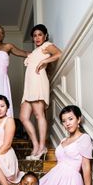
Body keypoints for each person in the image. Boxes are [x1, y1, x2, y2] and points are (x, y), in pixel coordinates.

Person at [38, 105, 93, 185]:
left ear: (78, 119)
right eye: (64, 121)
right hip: (56, 178)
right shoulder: (63, 140)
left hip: (71, 181)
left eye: (71, 119)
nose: (67, 123)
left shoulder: (84, 138)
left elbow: (86, 166)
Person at [19, 24, 62, 160]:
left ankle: (42, 146)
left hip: (38, 82)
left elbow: (58, 53)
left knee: (39, 115)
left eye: (40, 34)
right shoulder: (34, 52)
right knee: (23, 117)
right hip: (29, 87)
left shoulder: (46, 45)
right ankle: (36, 145)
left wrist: (45, 60)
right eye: (35, 35)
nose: (37, 37)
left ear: (45, 36)